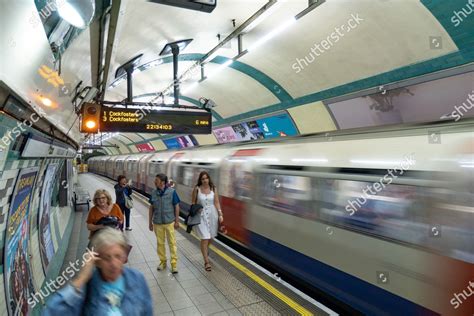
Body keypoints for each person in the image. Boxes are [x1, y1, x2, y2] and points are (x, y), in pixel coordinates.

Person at [43, 228, 153, 315]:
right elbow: (53, 312)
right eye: (106, 258)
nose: (113, 264)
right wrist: (81, 279)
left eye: (118, 256)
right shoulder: (87, 287)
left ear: (124, 256)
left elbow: (147, 311)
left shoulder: (137, 279)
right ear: (97, 260)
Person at [191, 171, 224, 271]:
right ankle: (206, 262)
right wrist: (197, 208)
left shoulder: (213, 188)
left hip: (212, 215)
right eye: (203, 179)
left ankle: (205, 250)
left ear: (209, 178)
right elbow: (193, 202)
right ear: (200, 180)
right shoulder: (197, 189)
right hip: (201, 216)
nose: (205, 180)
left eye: (206, 178)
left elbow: (217, 202)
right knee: (205, 238)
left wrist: (220, 214)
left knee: (210, 238)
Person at [148, 174, 180, 274]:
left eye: (156, 180)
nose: (154, 182)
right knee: (160, 243)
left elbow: (176, 206)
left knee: (172, 243)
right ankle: (163, 262)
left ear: (162, 182)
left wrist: (177, 221)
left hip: (169, 222)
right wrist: (150, 222)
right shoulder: (153, 192)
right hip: (157, 222)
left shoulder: (172, 192)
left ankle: (174, 264)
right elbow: (151, 208)